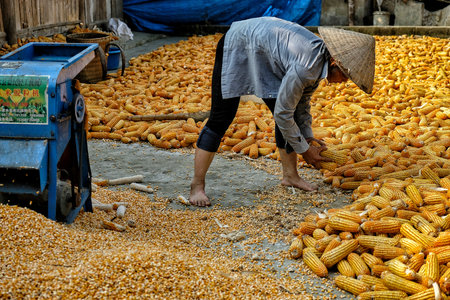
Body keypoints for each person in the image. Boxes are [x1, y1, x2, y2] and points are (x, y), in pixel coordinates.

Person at [189, 17, 375, 207]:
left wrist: (308, 138)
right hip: (240, 44)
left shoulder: (320, 62)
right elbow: (283, 113)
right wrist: (305, 151)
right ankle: (197, 186)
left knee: (290, 113)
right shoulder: (307, 66)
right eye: (346, 76)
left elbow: (301, 104)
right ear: (335, 62)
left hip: (267, 55)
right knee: (222, 117)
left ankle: (290, 176)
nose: (345, 82)